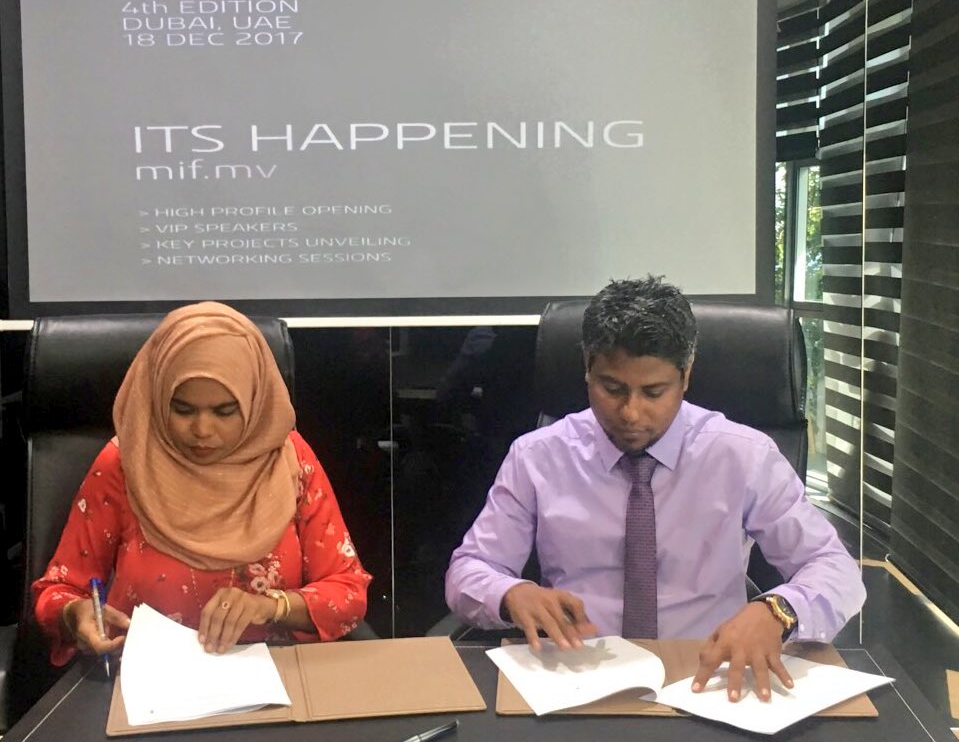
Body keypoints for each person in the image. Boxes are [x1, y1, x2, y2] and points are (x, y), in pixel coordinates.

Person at [445, 276, 866, 702]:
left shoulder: (743, 456)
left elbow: (835, 568)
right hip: (576, 677)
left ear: (686, 375)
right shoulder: (537, 457)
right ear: (587, 369)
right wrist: (511, 593)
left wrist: (778, 612)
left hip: (710, 677)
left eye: (653, 392)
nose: (631, 412)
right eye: (612, 389)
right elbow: (469, 570)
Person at [33, 301, 371, 666]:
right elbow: (58, 592)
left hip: (276, 675)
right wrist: (75, 615)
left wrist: (271, 606)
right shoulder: (126, 463)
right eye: (183, 409)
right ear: (158, 397)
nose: (202, 430)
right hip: (150, 677)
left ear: (254, 401)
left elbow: (348, 593)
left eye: (225, 411)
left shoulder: (288, 460)